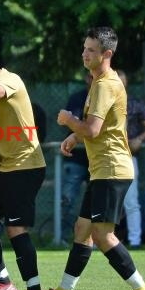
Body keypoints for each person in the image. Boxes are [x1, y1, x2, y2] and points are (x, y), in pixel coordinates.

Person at [45, 27, 145, 290]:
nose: (84, 54)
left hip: (112, 169)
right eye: (84, 48)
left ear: (107, 54)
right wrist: (74, 135)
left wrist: (69, 121)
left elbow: (93, 130)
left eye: (91, 50)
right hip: (102, 169)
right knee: (82, 230)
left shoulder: (106, 84)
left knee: (102, 235)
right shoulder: (99, 81)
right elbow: (100, 125)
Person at [0, 49, 47, 290]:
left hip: (25, 166)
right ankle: (4, 280)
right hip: (4, 167)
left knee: (17, 229)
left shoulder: (9, 79)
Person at [117, 70, 145, 248]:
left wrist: (139, 139)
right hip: (104, 157)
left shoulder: (134, 103)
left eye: (122, 81)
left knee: (131, 201)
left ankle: (135, 241)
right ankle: (97, 241)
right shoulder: (99, 101)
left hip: (128, 157)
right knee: (103, 200)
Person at [60, 74, 92, 243]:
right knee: (67, 199)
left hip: (96, 159)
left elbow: (91, 128)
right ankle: (63, 238)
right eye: (89, 77)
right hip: (77, 157)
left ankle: (91, 238)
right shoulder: (77, 98)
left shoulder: (105, 94)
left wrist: (80, 124)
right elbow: (74, 123)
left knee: (96, 202)